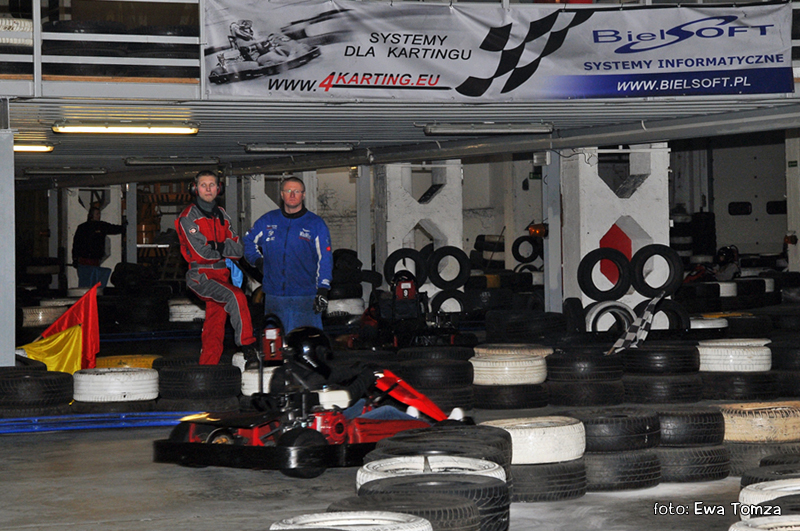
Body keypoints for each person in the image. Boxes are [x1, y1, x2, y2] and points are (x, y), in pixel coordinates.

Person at [175, 170, 260, 367]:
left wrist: (216, 245)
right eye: (203, 185)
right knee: (236, 296)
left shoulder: (222, 214)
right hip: (200, 276)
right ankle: (248, 348)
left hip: (222, 275)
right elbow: (201, 254)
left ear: (218, 188)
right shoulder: (188, 217)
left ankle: (208, 367)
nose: (208, 189)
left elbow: (238, 250)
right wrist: (222, 247)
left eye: (212, 185)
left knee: (215, 323)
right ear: (195, 189)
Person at [243, 176, 333, 334]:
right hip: (274, 297)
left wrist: (323, 289)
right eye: (288, 190)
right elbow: (248, 241)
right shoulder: (268, 220)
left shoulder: (316, 224)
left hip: (305, 298)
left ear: (303, 195)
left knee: (305, 341)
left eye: (297, 191)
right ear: (282, 194)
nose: (292, 195)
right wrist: (258, 261)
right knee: (274, 344)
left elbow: (324, 259)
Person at [71, 206, 125, 288]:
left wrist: (75, 258)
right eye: (97, 214)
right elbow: (76, 244)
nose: (99, 216)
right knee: (90, 282)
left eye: (99, 214)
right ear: (91, 215)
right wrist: (75, 258)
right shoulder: (94, 227)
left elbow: (113, 228)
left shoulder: (86, 227)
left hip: (90, 260)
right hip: (86, 260)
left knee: (87, 283)